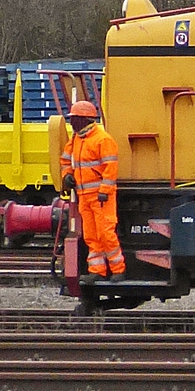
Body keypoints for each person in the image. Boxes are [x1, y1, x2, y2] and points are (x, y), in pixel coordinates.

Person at [61, 100, 125, 283]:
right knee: (91, 235)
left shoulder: (102, 139)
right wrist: (67, 175)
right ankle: (97, 270)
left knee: (106, 233)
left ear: (85, 119)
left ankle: (118, 270)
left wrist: (105, 190)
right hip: (84, 196)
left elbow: (110, 168)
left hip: (100, 197)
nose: (72, 122)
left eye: (75, 119)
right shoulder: (75, 139)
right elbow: (65, 161)